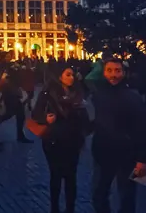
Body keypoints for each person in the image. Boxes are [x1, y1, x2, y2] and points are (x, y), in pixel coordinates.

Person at [91, 57, 146, 213]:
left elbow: (143, 130)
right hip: (103, 154)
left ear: (124, 73)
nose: (113, 75)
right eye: (109, 70)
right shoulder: (98, 95)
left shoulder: (134, 97)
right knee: (98, 195)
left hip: (129, 156)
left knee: (128, 197)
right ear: (103, 72)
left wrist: (142, 161)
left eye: (117, 71)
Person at [32, 63, 89, 213]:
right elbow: (35, 114)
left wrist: (84, 112)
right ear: (59, 76)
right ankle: (55, 208)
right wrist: (45, 118)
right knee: (56, 175)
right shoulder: (48, 93)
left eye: (72, 74)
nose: (71, 78)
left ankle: (70, 208)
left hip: (73, 140)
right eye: (68, 75)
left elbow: (86, 122)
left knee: (71, 176)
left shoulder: (78, 93)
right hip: (54, 140)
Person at [0, 63, 33, 143]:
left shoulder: (10, 71)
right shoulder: (9, 72)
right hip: (12, 97)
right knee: (8, 115)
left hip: (14, 96)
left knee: (20, 116)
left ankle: (20, 135)